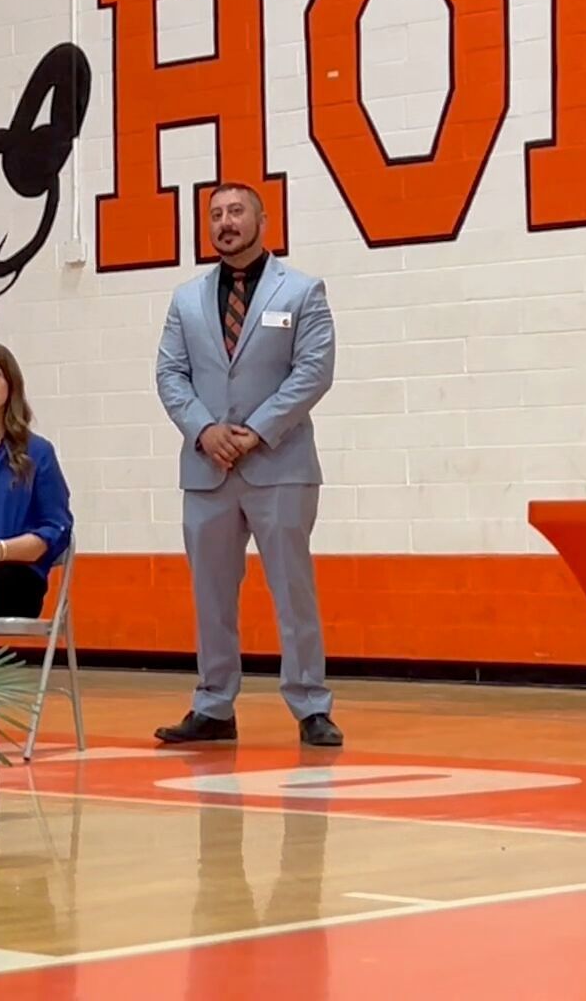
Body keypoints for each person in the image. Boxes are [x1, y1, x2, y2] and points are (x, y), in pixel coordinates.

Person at [152, 182, 342, 748]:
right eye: (215, 215)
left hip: (280, 464)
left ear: (262, 218)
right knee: (210, 594)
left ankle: (311, 706)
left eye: (236, 211)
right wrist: (205, 431)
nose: (225, 222)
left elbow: (313, 371)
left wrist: (256, 431)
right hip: (207, 469)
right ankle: (213, 707)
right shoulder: (185, 300)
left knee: (292, 590)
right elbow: (169, 375)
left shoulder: (303, 291)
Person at [0, 342, 72, 619]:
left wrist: (0, 550)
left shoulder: (37, 453)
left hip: (14, 575)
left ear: (11, 384)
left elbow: (55, 528)